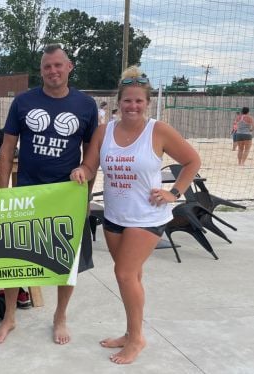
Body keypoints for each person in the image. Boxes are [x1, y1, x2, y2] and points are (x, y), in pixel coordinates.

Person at [70, 66, 201, 364]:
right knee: (133, 276)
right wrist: (81, 171)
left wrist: (175, 193)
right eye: (128, 100)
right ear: (119, 101)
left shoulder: (159, 130)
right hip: (115, 216)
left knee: (124, 273)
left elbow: (193, 161)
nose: (133, 106)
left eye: (139, 101)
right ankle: (130, 333)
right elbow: (90, 166)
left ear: (148, 103)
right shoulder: (105, 131)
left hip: (148, 217)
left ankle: (137, 339)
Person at [0, 44, 97, 345]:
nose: (53, 71)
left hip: (66, 195)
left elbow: (91, 155)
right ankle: (10, 315)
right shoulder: (24, 102)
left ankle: (59, 316)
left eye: (58, 65)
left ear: (69, 67)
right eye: (47, 66)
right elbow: (7, 148)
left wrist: (86, 196)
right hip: (27, 193)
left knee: (67, 262)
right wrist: (3, 193)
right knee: (13, 259)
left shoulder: (86, 105)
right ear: (41, 70)